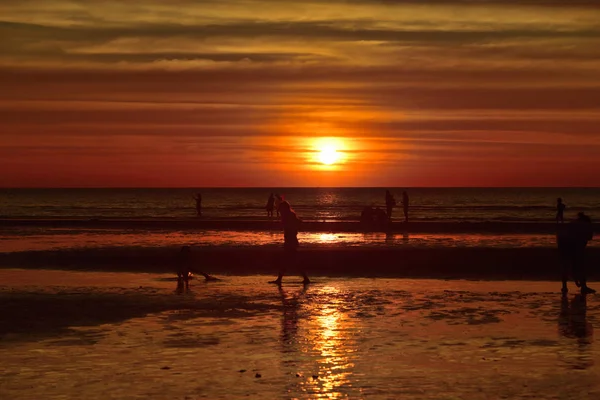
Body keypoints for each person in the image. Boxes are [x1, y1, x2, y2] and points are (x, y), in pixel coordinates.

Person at [269, 200, 310, 285]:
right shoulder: (290, 216)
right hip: (291, 241)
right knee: (291, 260)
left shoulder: (289, 217)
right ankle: (304, 278)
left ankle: (280, 279)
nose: (280, 212)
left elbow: (291, 229)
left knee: (288, 260)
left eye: (281, 209)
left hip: (290, 242)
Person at [558, 212, 595, 295]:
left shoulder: (572, 224)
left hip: (563, 245)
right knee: (580, 266)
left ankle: (564, 287)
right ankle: (583, 286)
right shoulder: (586, 226)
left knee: (566, 266)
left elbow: (561, 235)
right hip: (574, 245)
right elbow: (589, 237)